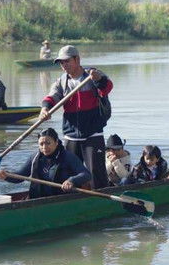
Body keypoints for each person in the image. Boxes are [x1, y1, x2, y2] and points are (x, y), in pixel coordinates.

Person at [38, 45, 113, 188]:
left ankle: (101, 199)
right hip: (71, 135)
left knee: (96, 173)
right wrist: (45, 109)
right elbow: (52, 97)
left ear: (77, 59)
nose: (64, 65)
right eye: (61, 63)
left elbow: (107, 88)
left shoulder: (92, 75)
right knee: (68, 174)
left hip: (93, 133)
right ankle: (71, 200)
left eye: (67, 61)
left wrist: (99, 79)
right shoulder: (61, 81)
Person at [0, 127, 91, 199]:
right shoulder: (34, 158)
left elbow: (86, 174)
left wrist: (71, 180)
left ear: (56, 142)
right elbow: (20, 176)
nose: (44, 147)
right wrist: (7, 176)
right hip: (37, 198)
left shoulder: (67, 157)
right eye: (41, 144)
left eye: (48, 143)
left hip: (60, 199)